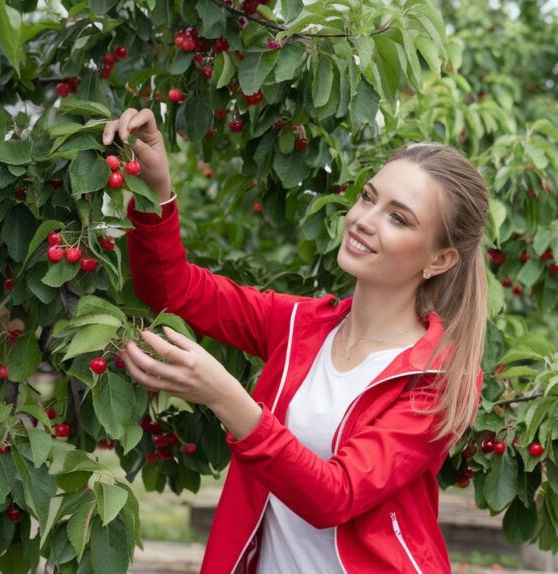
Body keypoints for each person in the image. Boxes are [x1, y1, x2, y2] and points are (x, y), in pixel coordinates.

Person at [103, 108, 489, 573]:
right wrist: (154, 192)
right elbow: (175, 291)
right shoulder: (298, 325)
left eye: (398, 219)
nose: (364, 219)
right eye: (367, 198)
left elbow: (335, 496)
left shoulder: (437, 378)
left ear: (441, 259)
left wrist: (226, 396)